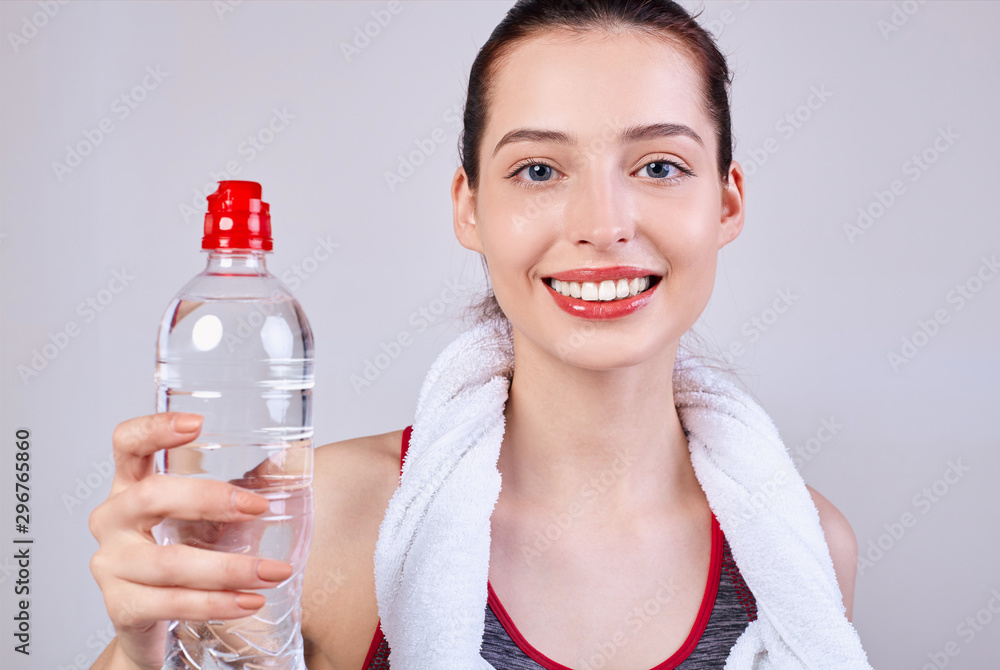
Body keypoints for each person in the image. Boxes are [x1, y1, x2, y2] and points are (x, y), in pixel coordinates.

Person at [88, 1, 861, 668]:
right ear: (469, 207)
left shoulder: (804, 548)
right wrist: (140, 649)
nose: (602, 225)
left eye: (659, 167)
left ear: (725, 204)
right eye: (537, 170)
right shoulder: (331, 518)